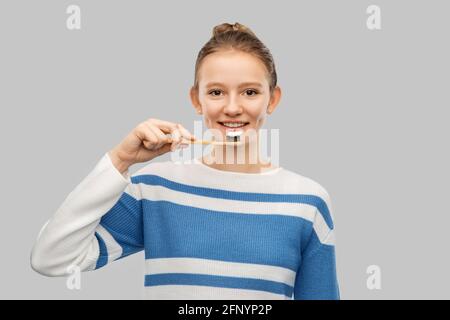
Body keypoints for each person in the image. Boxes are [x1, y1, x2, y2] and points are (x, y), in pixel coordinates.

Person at [31, 22, 340, 300]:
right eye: (216, 92)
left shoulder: (307, 201)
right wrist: (121, 159)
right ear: (196, 99)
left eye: (249, 92)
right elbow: (52, 259)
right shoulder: (156, 188)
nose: (232, 108)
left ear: (272, 99)